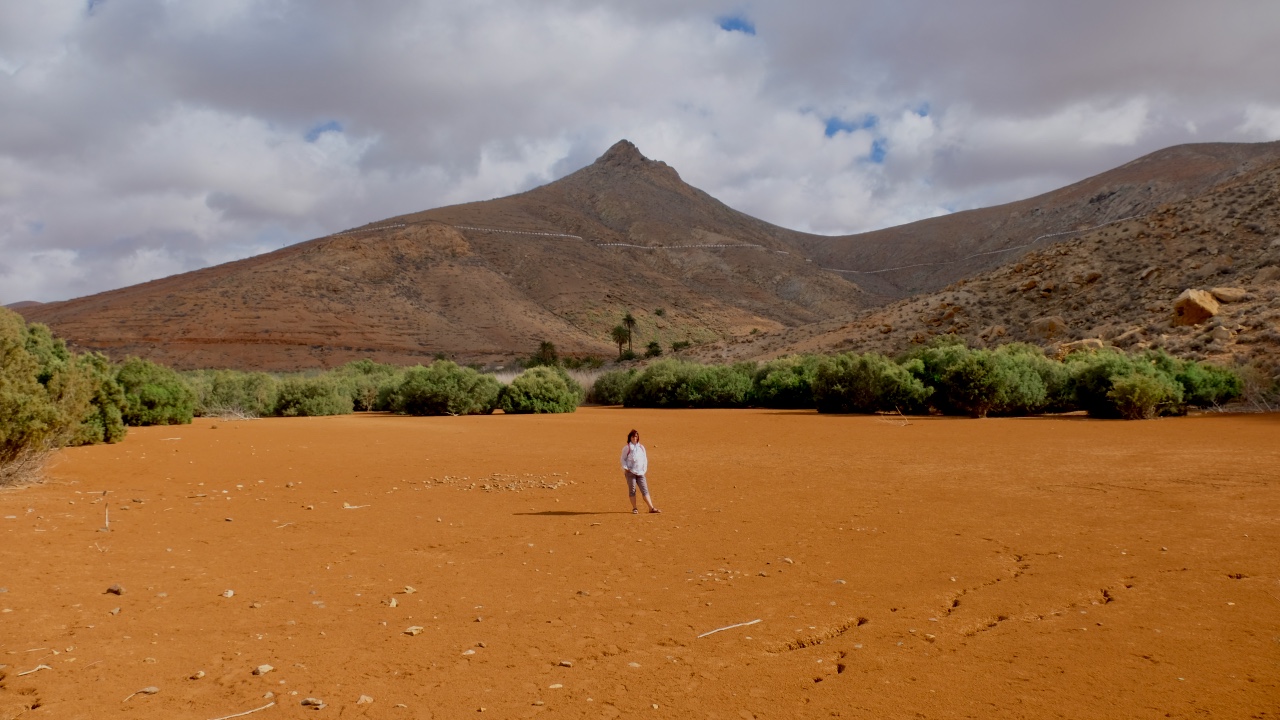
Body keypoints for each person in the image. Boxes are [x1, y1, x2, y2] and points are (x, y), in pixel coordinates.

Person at [620, 429, 660, 514]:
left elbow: (645, 459)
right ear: (630, 437)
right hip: (631, 472)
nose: (635, 438)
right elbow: (623, 459)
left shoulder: (641, 447)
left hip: (641, 472)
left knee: (645, 489)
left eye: (636, 436)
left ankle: (651, 508)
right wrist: (626, 468)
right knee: (632, 490)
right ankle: (635, 508)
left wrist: (644, 469)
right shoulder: (627, 448)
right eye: (633, 436)